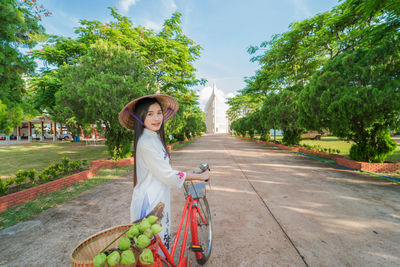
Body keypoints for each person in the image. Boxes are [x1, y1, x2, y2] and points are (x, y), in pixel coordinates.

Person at [119, 94, 209, 251]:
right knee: (151, 251)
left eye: (159, 112)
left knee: (159, 246)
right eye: (150, 114)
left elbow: (163, 170)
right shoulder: (146, 143)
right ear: (141, 117)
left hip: (158, 197)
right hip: (149, 203)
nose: (156, 118)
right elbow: (168, 175)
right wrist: (199, 176)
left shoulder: (153, 137)